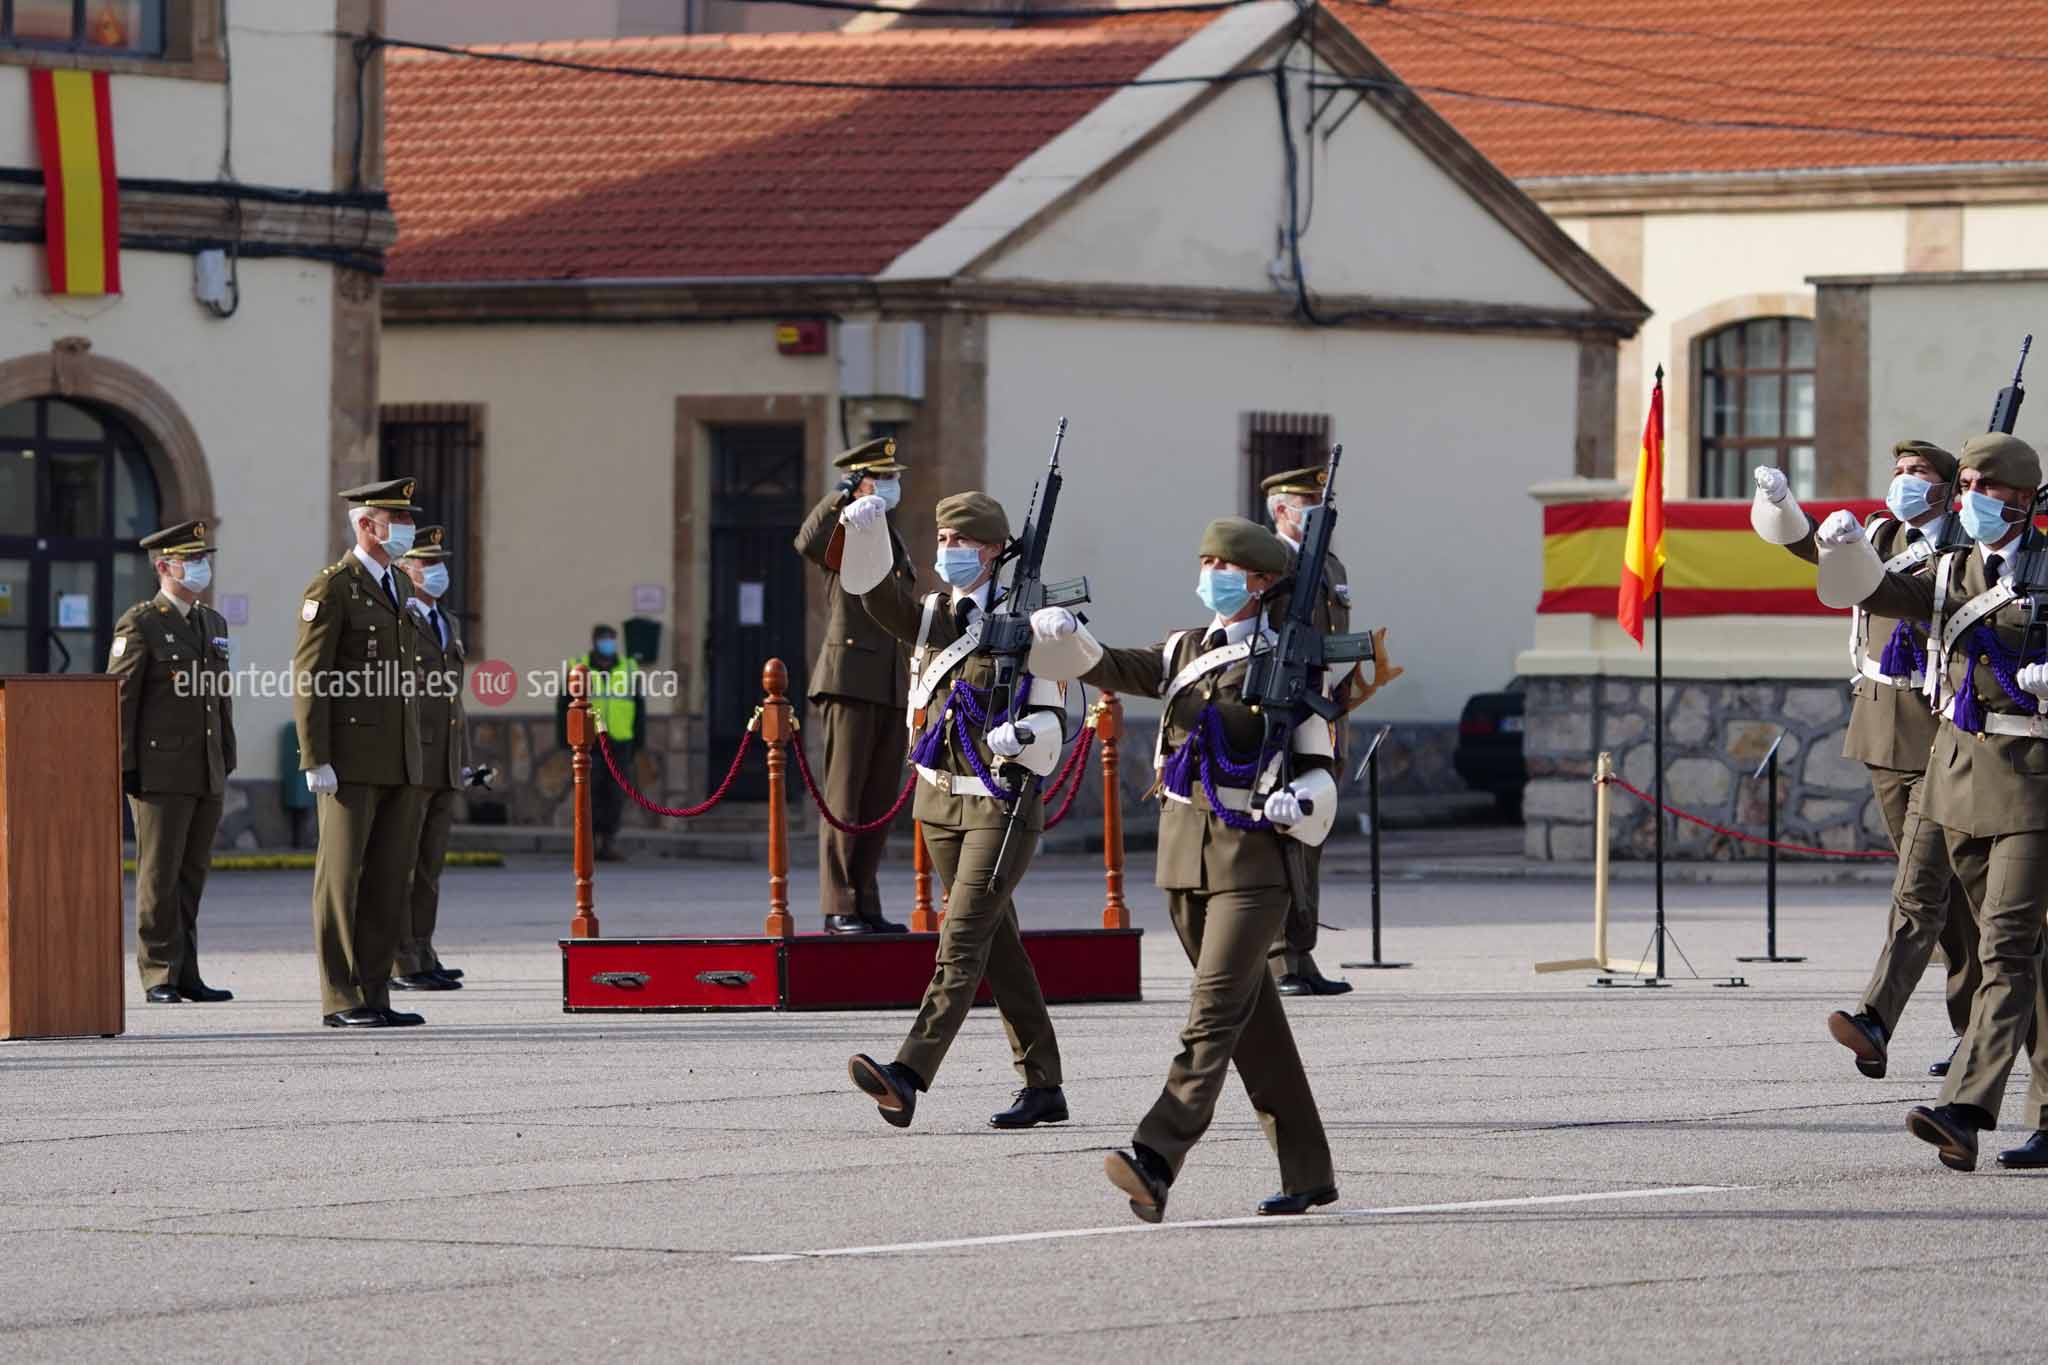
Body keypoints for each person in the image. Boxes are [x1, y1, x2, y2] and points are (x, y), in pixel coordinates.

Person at [1033, 517, 1397, 1221]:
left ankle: (1156, 1156)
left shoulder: (1297, 661)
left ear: (1260, 583)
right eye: (1205, 562)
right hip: (1183, 860)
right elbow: (1114, 667)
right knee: (1251, 1022)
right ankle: (1309, 1169)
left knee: (1209, 1017)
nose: (1212, 575)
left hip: (1255, 862)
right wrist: (1067, 638)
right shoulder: (1184, 649)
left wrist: (1306, 795)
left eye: (1226, 565)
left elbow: (1321, 764)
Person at [1813, 432, 2048, 1171]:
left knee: (2008, 947)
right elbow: (1875, 591)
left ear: (2019, 499)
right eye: (1966, 482)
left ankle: (1966, 1109)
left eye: (1984, 485)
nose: (1968, 495)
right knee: (2024, 957)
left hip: (2031, 780)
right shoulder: (1949, 569)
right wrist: (1843, 548)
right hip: (1953, 776)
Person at [834, 488, 1070, 1130]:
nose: (950, 552)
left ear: (995, 551)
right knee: (997, 946)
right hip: (937, 801)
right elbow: (879, 603)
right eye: (943, 540)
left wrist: (1023, 736)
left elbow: (1056, 719)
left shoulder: (1035, 620)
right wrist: (866, 536)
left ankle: (908, 1074)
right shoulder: (939, 610)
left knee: (960, 941)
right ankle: (1044, 1085)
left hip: (1001, 803)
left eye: (964, 542)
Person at [1752, 442, 1979, 1077]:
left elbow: (1894, 593)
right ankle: (1977, 1032)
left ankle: (1877, 1019)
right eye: (1899, 472)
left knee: (1919, 886)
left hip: (1943, 730)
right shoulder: (1880, 531)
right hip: (1882, 728)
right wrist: (1784, 510)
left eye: (1920, 474)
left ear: (1946, 487)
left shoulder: (1965, 550)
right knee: (1950, 901)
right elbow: (1822, 559)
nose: (1905, 482)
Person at [295, 479, 431, 1029]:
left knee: (387, 877)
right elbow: (310, 676)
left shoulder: (398, 583)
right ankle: (340, 996)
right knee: (341, 877)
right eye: (394, 521)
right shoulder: (333, 589)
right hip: (349, 759)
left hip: (399, 757)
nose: (405, 532)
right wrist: (315, 757)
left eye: (406, 522)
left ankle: (375, 991)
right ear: (365, 526)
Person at [109, 519, 237, 1004]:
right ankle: (159, 972)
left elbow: (219, 697)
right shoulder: (141, 623)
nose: (203, 567)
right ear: (164, 566)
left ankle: (187, 972)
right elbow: (120, 699)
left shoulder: (212, 623)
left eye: (205, 559)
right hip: (159, 771)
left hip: (205, 768)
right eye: (193, 559)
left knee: (191, 875)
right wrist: (124, 765)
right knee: (159, 875)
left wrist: (226, 752)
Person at [794, 436, 913, 934]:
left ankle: (865, 900)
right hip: (849, 679)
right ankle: (838, 904)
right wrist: (842, 496)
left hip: (889, 683)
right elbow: (808, 540)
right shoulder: (844, 530)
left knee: (877, 802)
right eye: (881, 478)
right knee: (844, 800)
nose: (891, 486)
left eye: (893, 478)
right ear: (859, 481)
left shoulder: (889, 535)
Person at [1262, 465, 1354, 997]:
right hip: (1284, 710)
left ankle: (1302, 952)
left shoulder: (1331, 565)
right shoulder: (1267, 564)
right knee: (1279, 833)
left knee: (1313, 826)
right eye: (1306, 502)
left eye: (1321, 502)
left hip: (1325, 711)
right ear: (1281, 510)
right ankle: (1277, 958)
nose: (1317, 511)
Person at [393, 526, 482, 991]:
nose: (436, 571)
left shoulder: (446, 620)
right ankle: (399, 959)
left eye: (439, 563)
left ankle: (423, 949)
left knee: (429, 865)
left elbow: (453, 701)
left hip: (444, 760)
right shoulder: (401, 620)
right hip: (412, 758)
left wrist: (463, 758)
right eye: (426, 564)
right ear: (404, 569)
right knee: (402, 864)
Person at [562, 625, 643, 862]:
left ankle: (609, 841)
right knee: (590, 793)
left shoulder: (628, 667)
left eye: (611, 639)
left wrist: (639, 739)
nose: (608, 643)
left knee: (615, 793)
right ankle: (590, 842)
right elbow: (565, 704)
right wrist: (567, 738)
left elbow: (639, 705)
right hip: (591, 740)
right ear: (595, 641)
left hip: (620, 739)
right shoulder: (580, 666)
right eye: (604, 639)